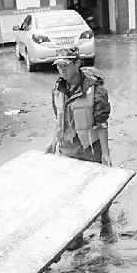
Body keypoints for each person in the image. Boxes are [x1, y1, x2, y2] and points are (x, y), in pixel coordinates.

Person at [45, 47, 114, 249]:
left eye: (66, 65)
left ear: (78, 63)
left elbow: (101, 124)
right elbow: (59, 119)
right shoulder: (58, 89)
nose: (62, 69)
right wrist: (53, 142)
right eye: (58, 65)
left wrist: (105, 155)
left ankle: (105, 222)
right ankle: (77, 234)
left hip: (89, 151)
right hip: (67, 150)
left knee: (99, 192)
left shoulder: (96, 91)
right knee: (71, 195)